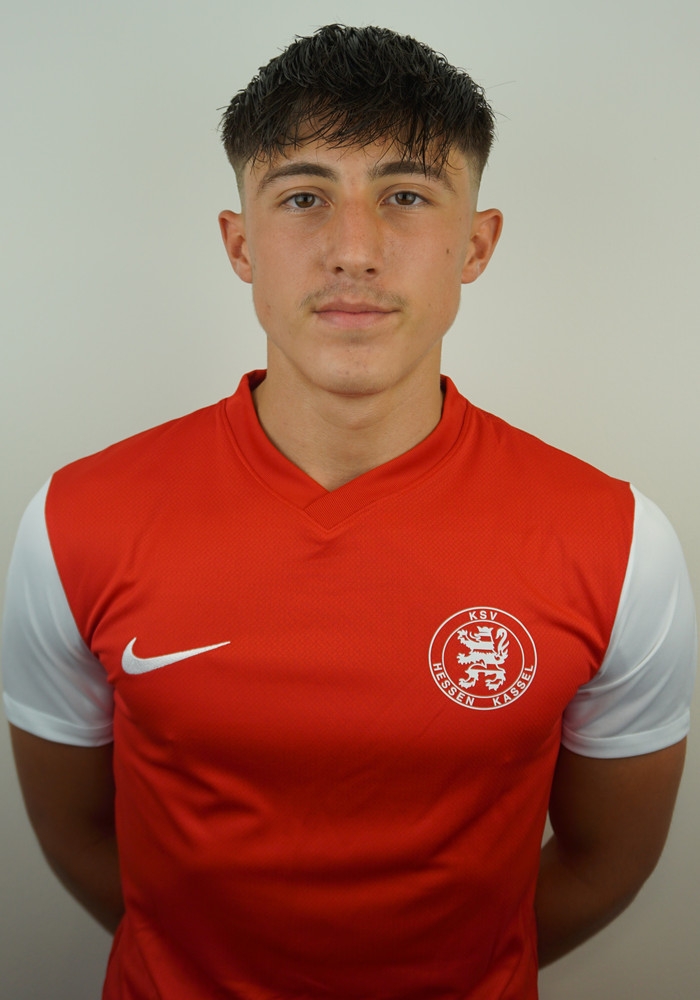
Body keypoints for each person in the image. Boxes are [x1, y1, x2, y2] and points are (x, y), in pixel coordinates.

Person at [1, 23, 696, 1000]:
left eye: (405, 195)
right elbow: (77, 834)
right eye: (303, 196)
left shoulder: (619, 544)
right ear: (240, 244)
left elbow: (606, 858)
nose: (354, 250)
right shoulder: (76, 520)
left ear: (476, 243)